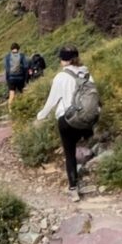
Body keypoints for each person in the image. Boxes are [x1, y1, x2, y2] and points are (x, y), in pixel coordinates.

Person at [36, 45, 100, 200]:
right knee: (82, 139)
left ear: (63, 60)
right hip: (87, 119)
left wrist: (40, 116)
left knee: (69, 153)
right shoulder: (86, 74)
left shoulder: (60, 77)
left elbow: (52, 102)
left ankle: (73, 187)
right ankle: (89, 156)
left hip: (68, 120)